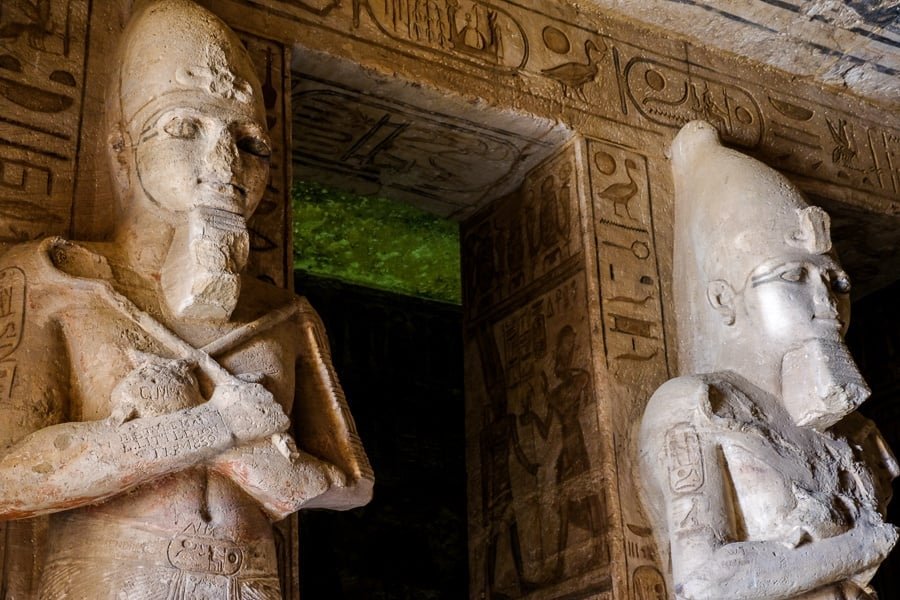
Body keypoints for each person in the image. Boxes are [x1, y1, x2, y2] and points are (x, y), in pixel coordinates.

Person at [0, 1, 372, 597]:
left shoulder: (286, 314)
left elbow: (352, 483)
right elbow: (9, 477)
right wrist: (212, 429)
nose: (226, 166)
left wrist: (268, 467)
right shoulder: (53, 278)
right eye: (184, 128)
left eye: (249, 142)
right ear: (123, 154)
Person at [638, 121, 897, 600]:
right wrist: (861, 547)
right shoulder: (697, 405)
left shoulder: (852, 433)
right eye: (792, 275)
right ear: (723, 300)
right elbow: (704, 585)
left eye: (835, 282)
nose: (825, 301)